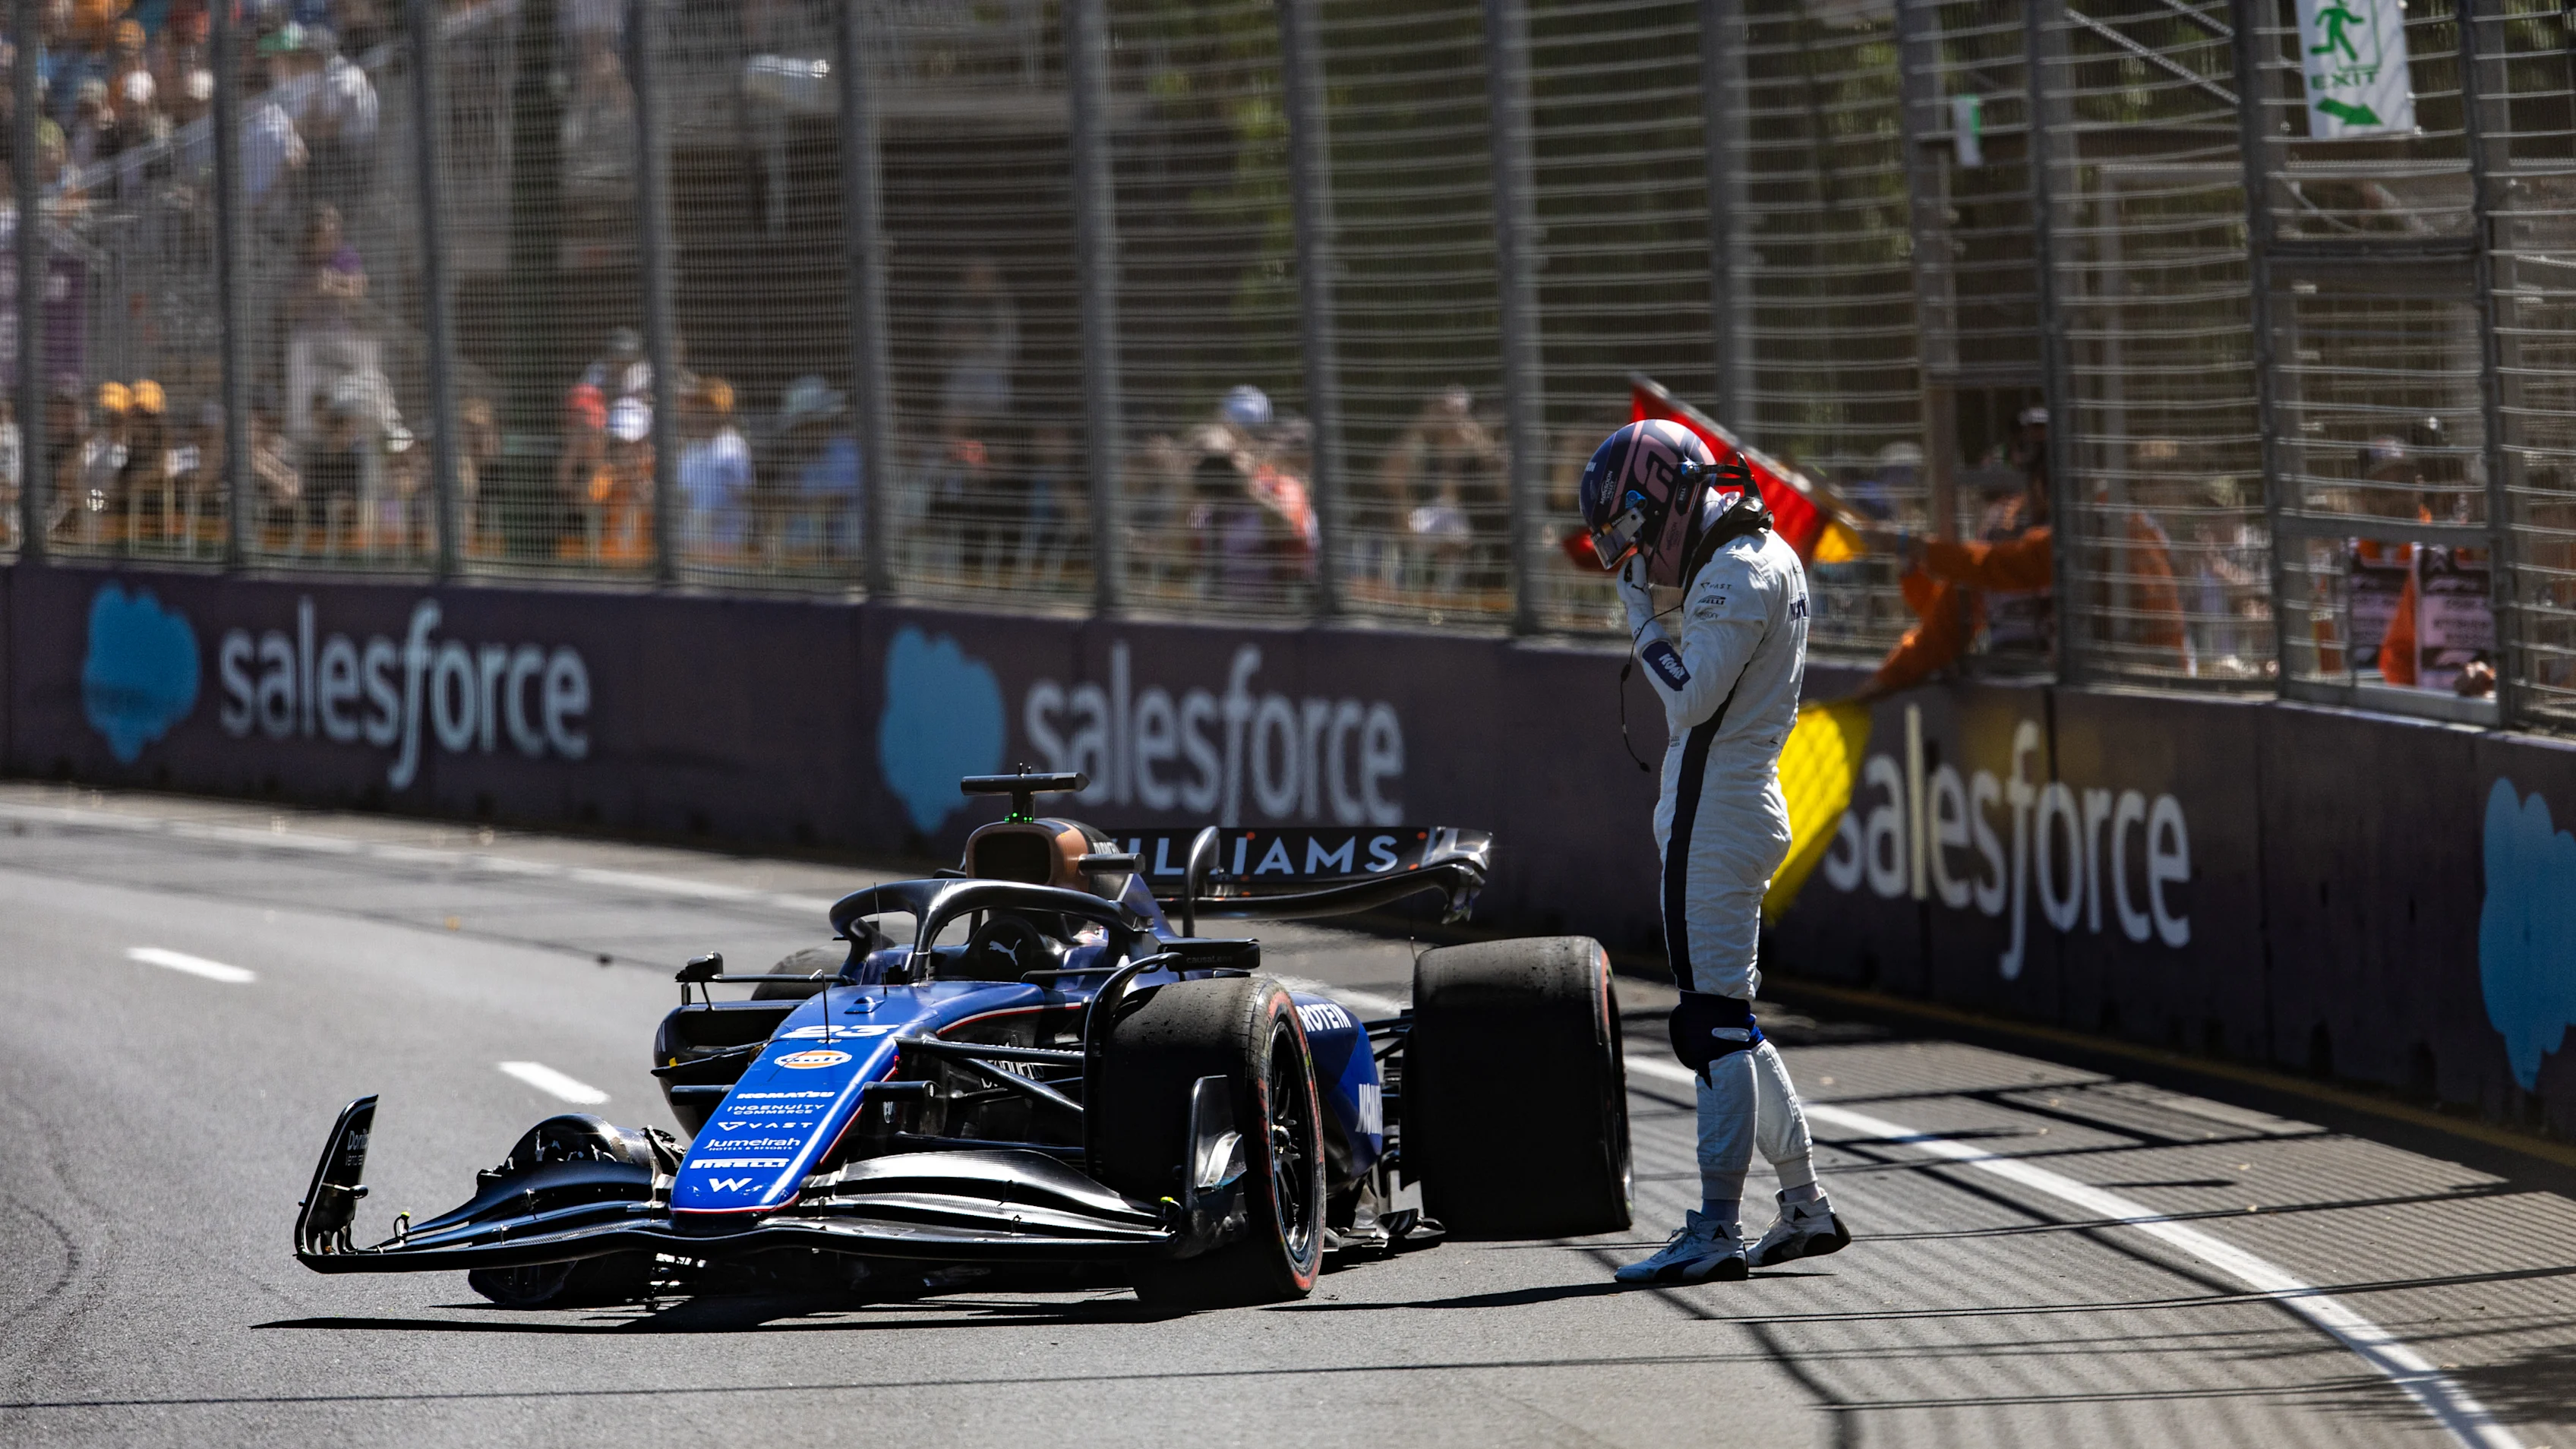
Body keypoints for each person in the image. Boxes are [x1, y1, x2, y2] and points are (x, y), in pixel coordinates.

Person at [1580, 418, 1849, 1285]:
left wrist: (1635, 618)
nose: (1634, 557)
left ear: (1663, 499)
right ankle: (1803, 1202)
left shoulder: (1735, 571)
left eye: (1630, 531)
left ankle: (1714, 1226)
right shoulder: (1759, 556)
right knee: (1729, 1019)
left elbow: (1690, 695)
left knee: (1709, 1026)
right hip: (1731, 802)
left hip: (1717, 809)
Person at [1856, 406, 2054, 699]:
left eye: (2045, 450)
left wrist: (1915, 546)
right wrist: (1885, 680)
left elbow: (2000, 565)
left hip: (2063, 678)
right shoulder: (2000, 525)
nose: (2036, 462)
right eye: (2026, 448)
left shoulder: (2096, 521)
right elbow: (1949, 618)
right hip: (2004, 683)